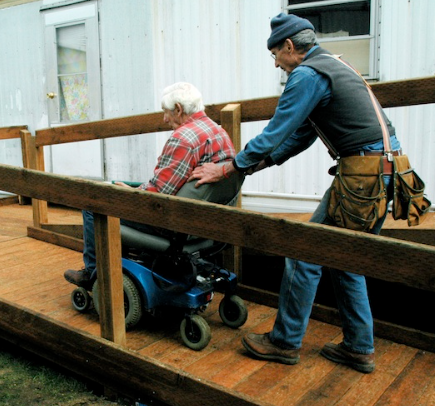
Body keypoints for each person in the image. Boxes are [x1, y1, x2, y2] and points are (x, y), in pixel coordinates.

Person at [189, 13, 404, 374]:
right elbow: (302, 135)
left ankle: (284, 343)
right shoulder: (332, 65)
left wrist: (229, 167)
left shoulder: (306, 74)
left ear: (290, 47)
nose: (276, 63)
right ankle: (359, 347)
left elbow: (277, 131)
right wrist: (254, 167)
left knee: (304, 254)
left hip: (361, 178)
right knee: (346, 260)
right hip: (384, 172)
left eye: (275, 54)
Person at [64, 82, 237, 288]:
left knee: (93, 206)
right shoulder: (218, 132)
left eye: (166, 112)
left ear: (179, 109)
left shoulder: (183, 138)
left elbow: (156, 194)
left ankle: (94, 274)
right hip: (207, 224)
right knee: (121, 189)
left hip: (172, 226)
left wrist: (130, 193)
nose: (164, 119)